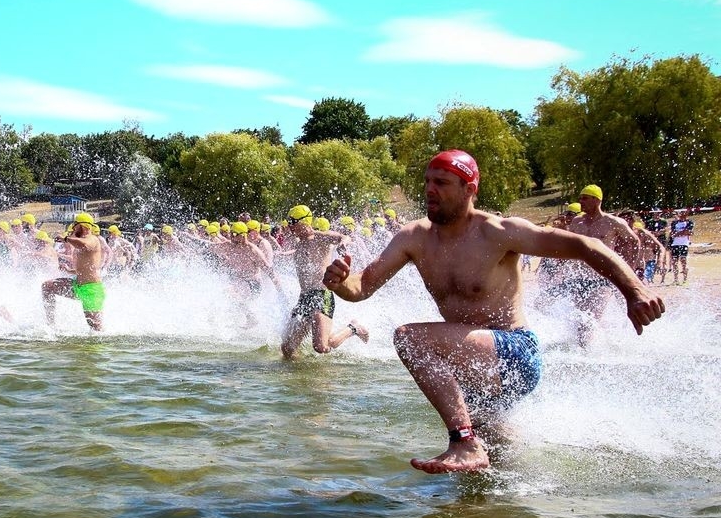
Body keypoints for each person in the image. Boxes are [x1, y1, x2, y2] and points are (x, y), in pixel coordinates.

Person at [322, 150, 664, 474]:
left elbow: (586, 246)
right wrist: (339, 283)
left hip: (515, 354)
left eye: (441, 183)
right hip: (469, 368)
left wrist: (634, 292)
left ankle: (463, 442)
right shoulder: (414, 238)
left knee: (411, 339)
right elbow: (361, 287)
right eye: (427, 181)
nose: (429, 190)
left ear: (469, 189)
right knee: (492, 471)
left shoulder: (498, 232)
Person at [279, 206, 368, 359]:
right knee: (287, 348)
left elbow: (343, 237)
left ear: (304, 221)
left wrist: (342, 245)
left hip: (321, 295)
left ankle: (353, 328)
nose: (290, 226)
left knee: (321, 347)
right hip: (304, 297)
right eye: (289, 222)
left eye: (293, 222)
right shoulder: (299, 244)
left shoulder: (319, 237)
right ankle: (302, 373)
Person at [564, 185, 641, 347]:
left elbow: (634, 242)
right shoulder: (577, 222)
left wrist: (629, 268)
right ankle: (594, 345)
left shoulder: (612, 222)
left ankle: (588, 353)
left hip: (604, 277)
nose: (580, 201)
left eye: (585, 198)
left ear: (596, 200)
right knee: (581, 317)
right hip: (580, 277)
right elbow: (569, 245)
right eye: (580, 197)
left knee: (591, 317)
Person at [42, 212, 105, 331]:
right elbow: (84, 269)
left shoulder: (93, 239)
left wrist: (66, 239)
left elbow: (85, 245)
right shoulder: (79, 241)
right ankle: (51, 326)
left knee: (96, 330)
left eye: (76, 225)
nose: (73, 227)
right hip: (77, 285)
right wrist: (69, 270)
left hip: (91, 289)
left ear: (83, 226)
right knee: (47, 286)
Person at [668, 210, 693, 285]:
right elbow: (672, 233)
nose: (682, 214)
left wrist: (678, 233)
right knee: (674, 262)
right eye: (680, 213)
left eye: (683, 213)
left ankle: (685, 280)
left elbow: (688, 231)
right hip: (675, 244)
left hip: (684, 243)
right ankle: (676, 280)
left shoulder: (689, 222)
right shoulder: (674, 223)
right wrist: (682, 233)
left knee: (683, 261)